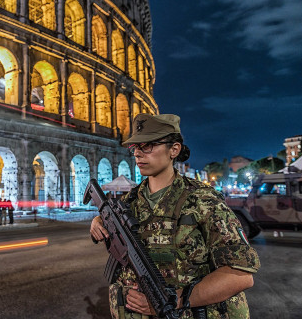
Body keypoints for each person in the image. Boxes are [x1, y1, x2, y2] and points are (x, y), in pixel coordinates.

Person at [90, 113, 260, 319]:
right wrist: (98, 221)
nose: (138, 154)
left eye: (148, 146)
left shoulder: (203, 200)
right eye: (135, 147)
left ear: (174, 149)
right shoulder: (128, 202)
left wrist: (174, 300)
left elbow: (240, 276)